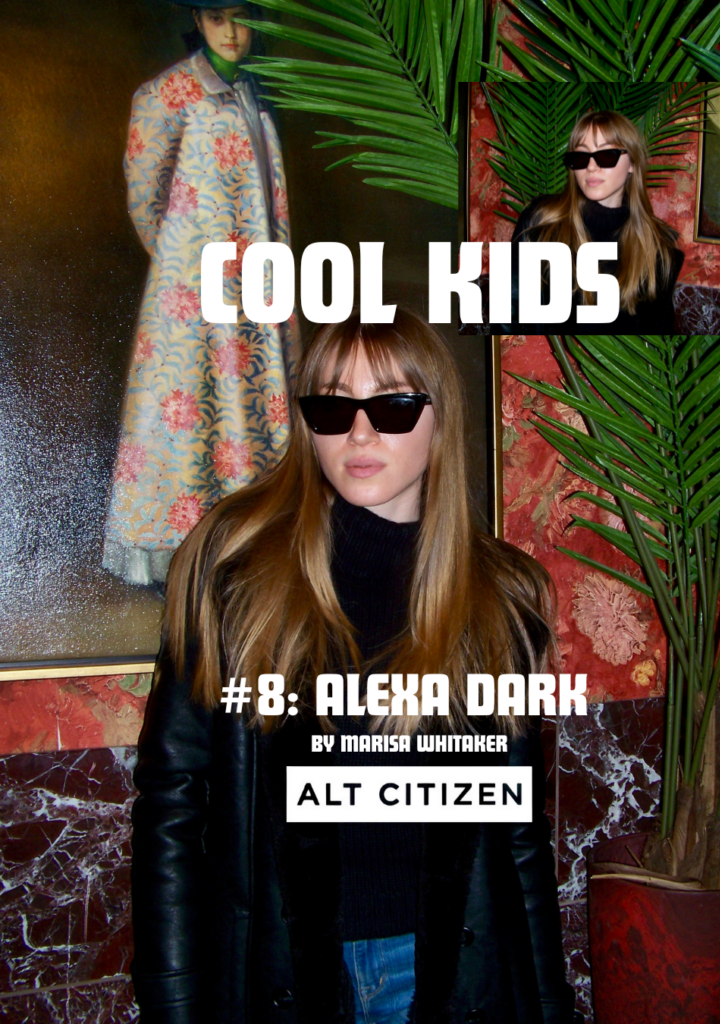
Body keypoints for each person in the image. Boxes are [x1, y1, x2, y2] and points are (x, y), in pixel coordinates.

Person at [130, 308, 575, 1024]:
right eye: (333, 406)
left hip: (450, 977)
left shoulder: (501, 596)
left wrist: (549, 1006)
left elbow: (516, 834)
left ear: (438, 417)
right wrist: (173, 1003)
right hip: (283, 975)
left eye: (393, 406)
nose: (359, 433)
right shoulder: (233, 568)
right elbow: (172, 808)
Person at [103, 2, 297, 587]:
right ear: (197, 18)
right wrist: (184, 268)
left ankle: (249, 548)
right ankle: (180, 558)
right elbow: (145, 197)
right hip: (192, 293)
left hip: (257, 282)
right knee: (188, 408)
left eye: (242, 17)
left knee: (254, 404)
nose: (232, 33)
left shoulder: (257, 90)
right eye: (217, 19)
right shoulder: (165, 95)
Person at [493, 109, 684, 336]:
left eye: (606, 155)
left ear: (632, 163)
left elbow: (658, 338)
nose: (591, 167)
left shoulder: (659, 248)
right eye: (581, 157)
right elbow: (507, 318)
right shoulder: (540, 223)